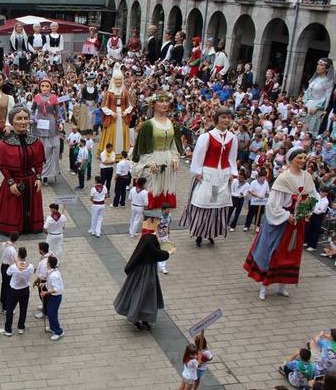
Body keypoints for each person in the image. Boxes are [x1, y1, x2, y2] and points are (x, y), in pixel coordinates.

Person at [244, 148, 319, 300]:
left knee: (290, 253)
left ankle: (282, 285)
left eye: (304, 157)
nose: (302, 160)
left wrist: (306, 210)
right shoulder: (283, 178)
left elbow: (313, 196)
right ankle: (264, 286)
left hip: (297, 223)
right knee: (274, 252)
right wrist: (286, 215)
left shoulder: (307, 177)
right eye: (299, 157)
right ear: (291, 159)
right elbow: (272, 204)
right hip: (282, 222)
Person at [180, 108, 238, 247]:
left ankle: (211, 232)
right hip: (208, 174)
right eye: (223, 117)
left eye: (229, 118)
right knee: (203, 202)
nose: (226, 120)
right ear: (217, 118)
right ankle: (200, 232)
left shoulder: (232, 137)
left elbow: (232, 157)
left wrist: (232, 172)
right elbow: (199, 155)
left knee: (217, 203)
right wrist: (198, 171)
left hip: (222, 175)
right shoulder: (207, 136)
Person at [113, 209, 171, 330]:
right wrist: (167, 253)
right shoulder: (148, 238)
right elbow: (154, 253)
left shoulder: (148, 236)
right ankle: (137, 317)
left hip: (146, 269)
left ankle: (144, 317)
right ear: (151, 221)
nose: (158, 222)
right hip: (144, 271)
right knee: (142, 293)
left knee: (146, 294)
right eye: (156, 220)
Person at [0, 105, 45, 234]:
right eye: (19, 118)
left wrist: (38, 178)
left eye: (25, 118)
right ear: (12, 121)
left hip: (31, 181)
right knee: (13, 209)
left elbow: (39, 163)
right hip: (14, 182)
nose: (23, 122)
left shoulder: (36, 142)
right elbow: (3, 167)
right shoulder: (3, 145)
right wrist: (11, 183)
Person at [132, 91, 182, 209]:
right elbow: (142, 148)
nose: (164, 104)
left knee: (166, 185)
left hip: (168, 159)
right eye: (161, 101)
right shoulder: (147, 125)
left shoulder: (172, 124)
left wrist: (175, 157)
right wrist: (149, 161)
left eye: (166, 101)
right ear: (153, 104)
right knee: (153, 184)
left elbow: (173, 144)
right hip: (153, 158)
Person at [31, 79, 63, 184]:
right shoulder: (36, 97)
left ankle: (48, 174)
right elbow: (32, 110)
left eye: (47, 86)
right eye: (43, 86)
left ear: (50, 87)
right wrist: (33, 118)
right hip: (39, 123)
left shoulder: (54, 98)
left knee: (49, 149)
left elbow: (58, 113)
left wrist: (60, 122)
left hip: (51, 124)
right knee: (41, 149)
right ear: (40, 87)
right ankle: (40, 173)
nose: (44, 88)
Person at [99, 64, 133, 158]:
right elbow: (104, 106)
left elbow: (130, 105)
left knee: (122, 133)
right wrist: (111, 112)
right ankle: (111, 152)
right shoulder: (109, 93)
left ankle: (122, 152)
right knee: (112, 133)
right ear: (113, 80)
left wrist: (126, 111)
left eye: (119, 80)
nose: (118, 81)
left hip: (122, 116)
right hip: (112, 117)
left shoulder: (125, 92)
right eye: (116, 80)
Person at [0, 247, 33, 337]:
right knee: (23, 309)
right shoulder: (30, 266)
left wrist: (15, 263)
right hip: (25, 289)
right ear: (26, 255)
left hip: (14, 290)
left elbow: (8, 273)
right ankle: (21, 327)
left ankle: (8, 330)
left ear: (18, 255)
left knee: (10, 310)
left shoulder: (14, 267)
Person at [304, 58, 334, 135]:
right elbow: (308, 91)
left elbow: (327, 97)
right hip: (308, 105)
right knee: (304, 128)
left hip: (317, 108)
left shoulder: (329, 81)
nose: (318, 66)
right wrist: (305, 103)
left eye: (321, 65)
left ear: (327, 69)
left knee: (311, 130)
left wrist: (317, 107)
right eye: (318, 64)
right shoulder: (315, 78)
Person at [40, 255, 64, 341]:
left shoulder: (53, 275)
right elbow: (51, 282)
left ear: (49, 264)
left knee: (52, 314)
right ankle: (52, 327)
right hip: (53, 297)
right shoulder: (53, 271)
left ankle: (58, 332)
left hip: (55, 297)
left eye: (47, 262)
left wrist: (45, 292)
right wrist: (45, 284)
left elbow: (56, 289)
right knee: (50, 313)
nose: (46, 263)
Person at [0, 232, 19, 313]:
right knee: (8, 287)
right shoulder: (13, 250)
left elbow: (0, 254)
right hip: (9, 268)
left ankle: (2, 300)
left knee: (4, 284)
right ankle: (6, 307)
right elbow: (16, 261)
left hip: (3, 266)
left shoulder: (3, 244)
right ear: (16, 240)